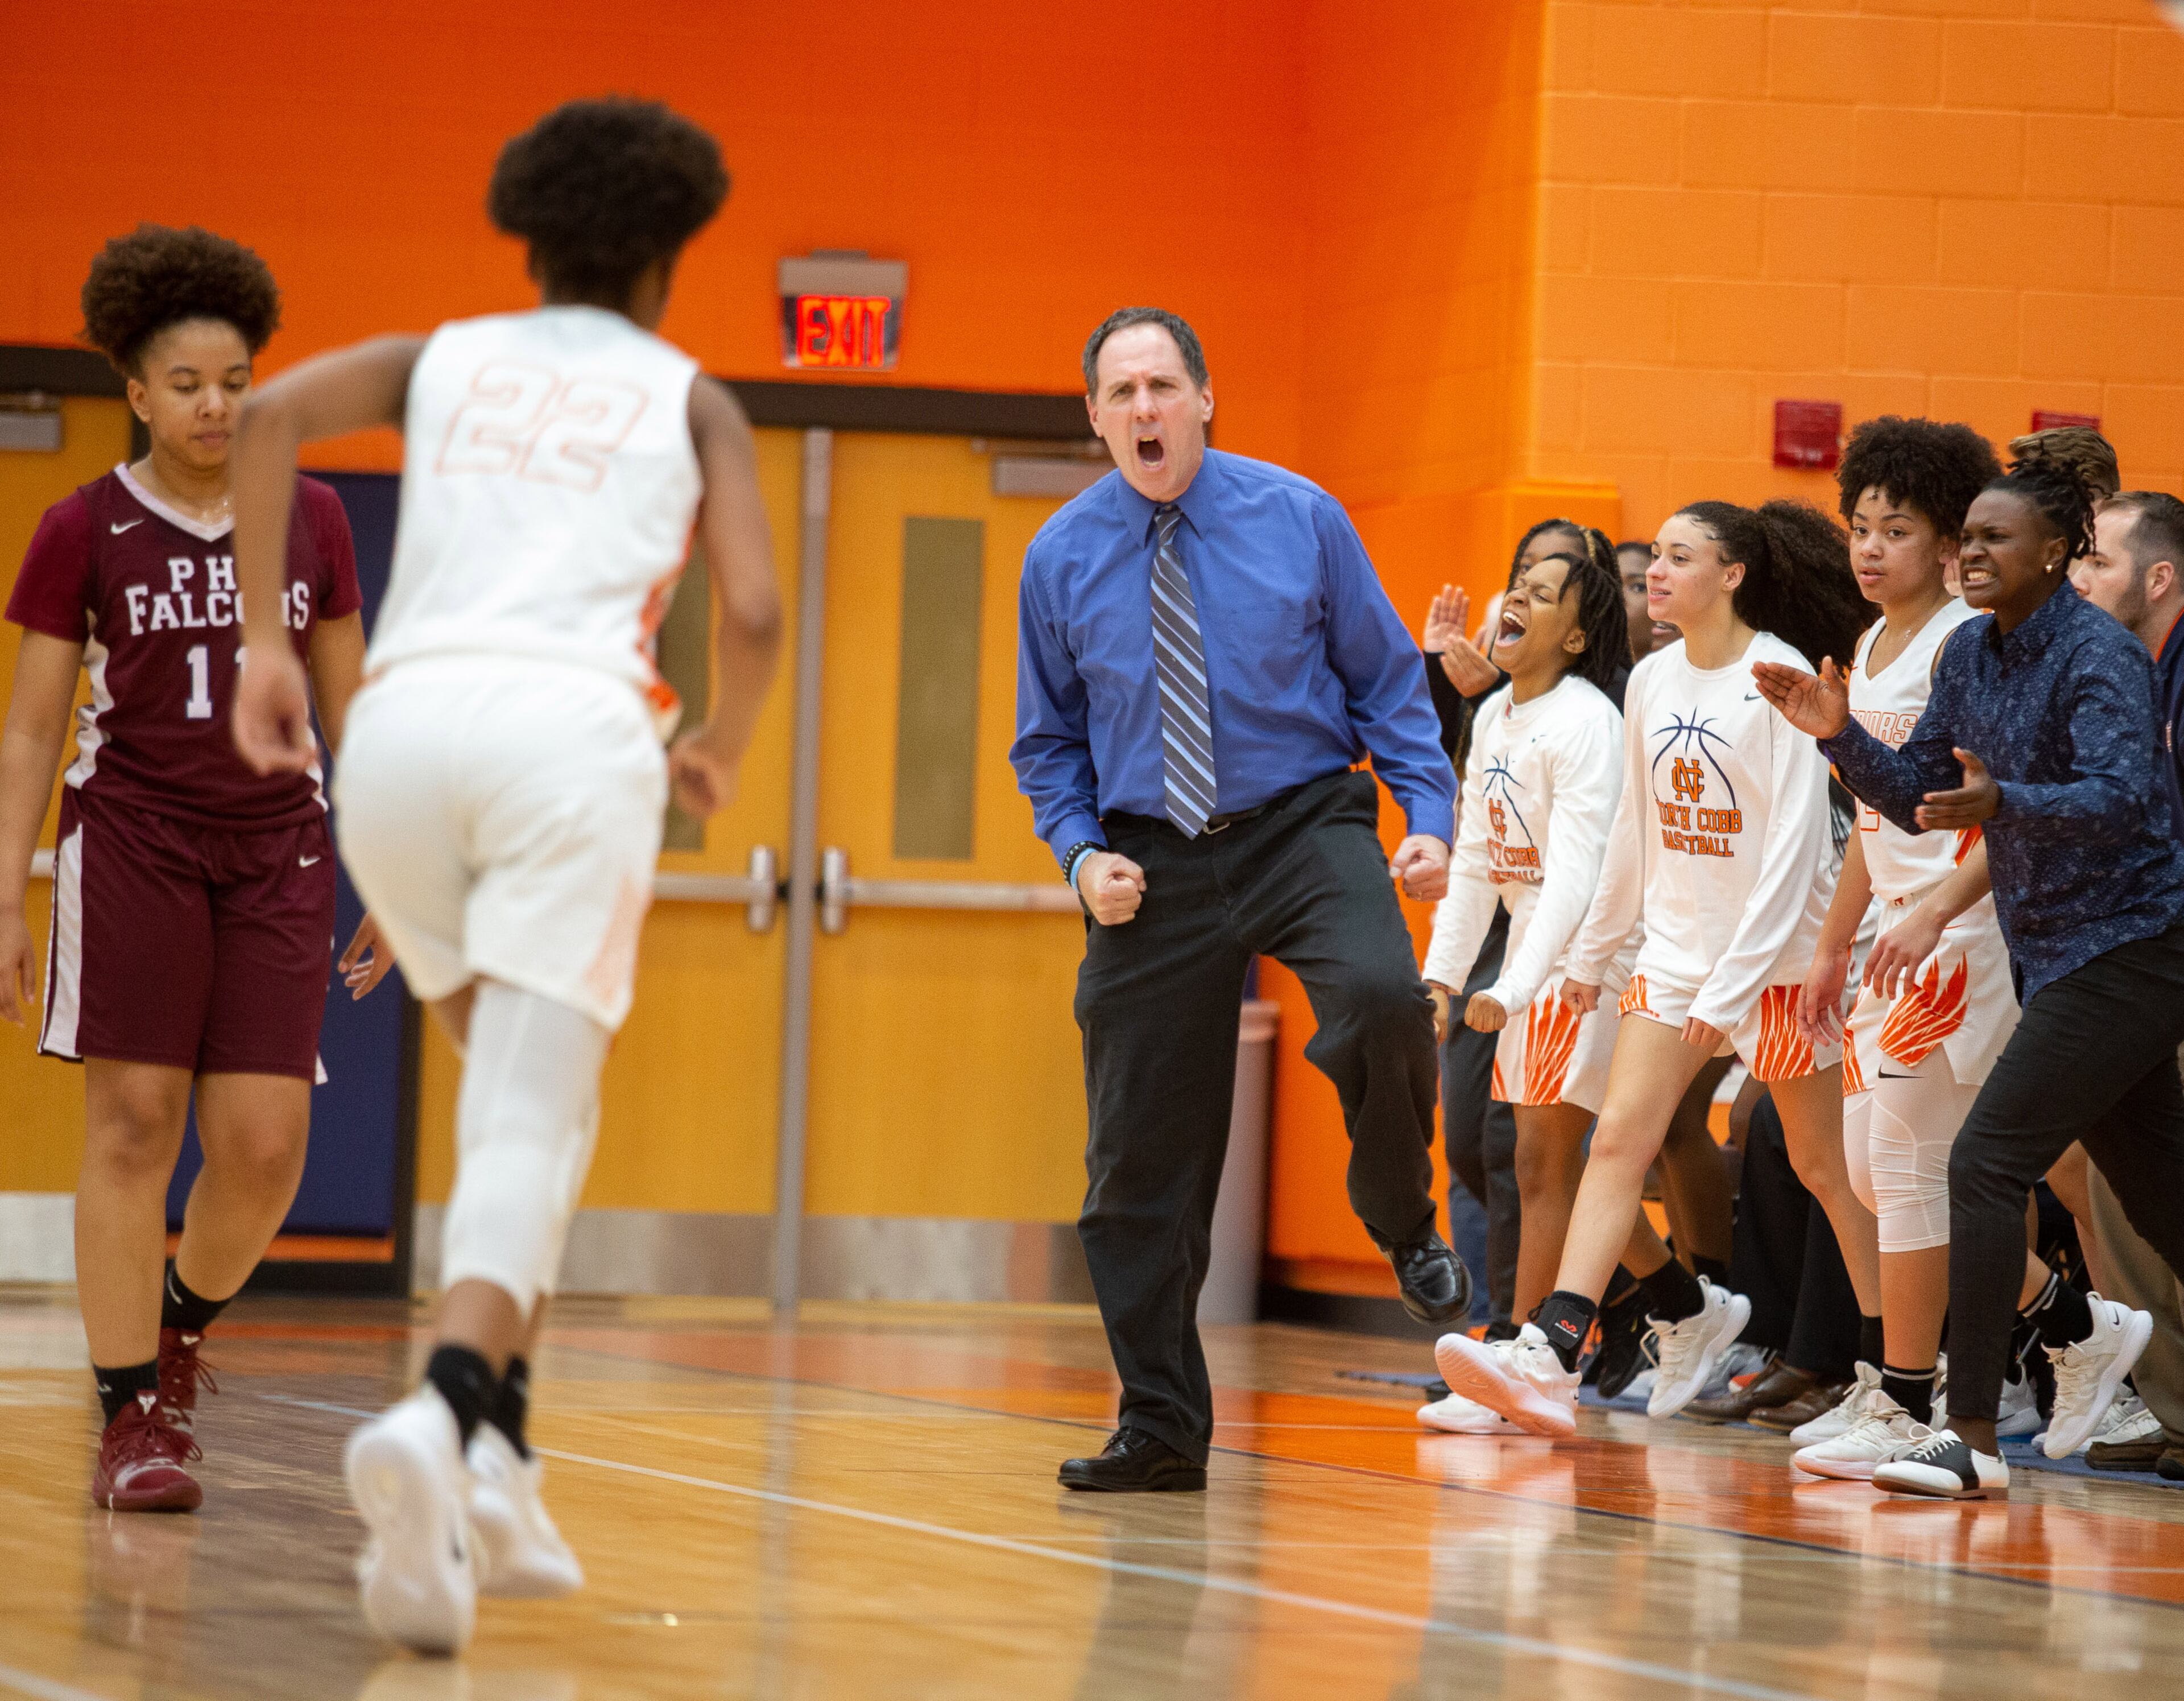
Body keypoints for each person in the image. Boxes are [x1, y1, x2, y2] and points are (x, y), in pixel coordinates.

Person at [229, 98, 781, 1649]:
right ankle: (444, 1409)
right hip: (568, 737)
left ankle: (504, 1468)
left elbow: (268, 417)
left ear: (526, 237)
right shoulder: (694, 399)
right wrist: (725, 745)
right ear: (671, 255)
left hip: (397, 739)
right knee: (534, 1109)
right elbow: (750, 604)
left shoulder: (436, 353)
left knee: (534, 1095)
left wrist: (269, 648)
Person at [1012, 306, 1465, 1493]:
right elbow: (1047, 742)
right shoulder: (1059, 555)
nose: (1145, 410)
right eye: (1122, 393)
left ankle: (1403, 1218)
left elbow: (1387, 688)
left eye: (1163, 385)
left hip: (1301, 822)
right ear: (1098, 417)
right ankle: (1160, 1426)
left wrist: (1427, 820)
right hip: (1149, 860)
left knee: (1376, 995)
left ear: (1207, 398)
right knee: (1132, 1171)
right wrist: (1078, 855)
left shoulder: (1301, 519)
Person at [0, 225, 377, 1514]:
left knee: (266, 1144)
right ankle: (127, 1420)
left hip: (280, 846)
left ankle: (174, 1329)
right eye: (190, 384)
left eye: (238, 380)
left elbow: (356, 711)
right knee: (133, 1124)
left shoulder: (315, 516)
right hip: (137, 841)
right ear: (139, 393)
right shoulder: (82, 528)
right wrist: (9, 890)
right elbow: (31, 731)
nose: (218, 405)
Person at [1757, 456, 2184, 1500]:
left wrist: (2007, 803)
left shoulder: (2100, 654)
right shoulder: (1972, 659)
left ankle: (1972, 1434)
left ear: (2055, 552)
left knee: (1984, 1164)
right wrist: (1841, 735)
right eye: (1971, 538)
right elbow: (1915, 795)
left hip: (2130, 948)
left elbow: (2127, 795)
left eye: (1997, 539)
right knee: (2168, 1201)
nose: (1976, 554)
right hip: (2058, 954)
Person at [1439, 498, 1874, 1435]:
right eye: (1660, 557)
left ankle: (1897, 1372)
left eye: (1682, 557)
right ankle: (1551, 1351)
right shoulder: (1652, 680)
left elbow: (1794, 857)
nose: (1660, 574)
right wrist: (1592, 957)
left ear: (1733, 575)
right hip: (1675, 957)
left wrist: (1732, 993)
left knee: (1825, 1165)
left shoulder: (1781, 675)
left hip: (1782, 964)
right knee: (1616, 1140)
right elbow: (1637, 837)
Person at [1784, 418, 2054, 1483]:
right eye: (1860, 525)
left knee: (1902, 1162)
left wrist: (1938, 904)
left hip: (1959, 930)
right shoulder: (1875, 646)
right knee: (1883, 1164)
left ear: (1949, 544)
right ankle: (2081, 1329)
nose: (1869, 546)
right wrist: (1831, 940)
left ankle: (1905, 1397)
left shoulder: (1959, 643)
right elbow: (1876, 818)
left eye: (1896, 529)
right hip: (1891, 934)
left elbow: (2002, 808)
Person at [1413, 547, 1635, 1432]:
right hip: (1532, 953)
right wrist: (1440, 978)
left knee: (1545, 1160)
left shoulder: (1587, 722)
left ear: (1575, 636)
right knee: (1542, 1161)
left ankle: (1537, 1362)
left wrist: (1520, 981)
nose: (1517, 599)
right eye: (1520, 586)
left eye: (1544, 596)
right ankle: (1647, 1313)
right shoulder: (1498, 714)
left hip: (1586, 956)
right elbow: (1475, 866)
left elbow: (1578, 874)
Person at [2070, 490, 2184, 1475]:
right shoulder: (2114, 671)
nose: (2077, 578)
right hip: (2135, 956)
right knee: (2119, 1185)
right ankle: (2173, 1411)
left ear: (2158, 578)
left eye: (2095, 560)